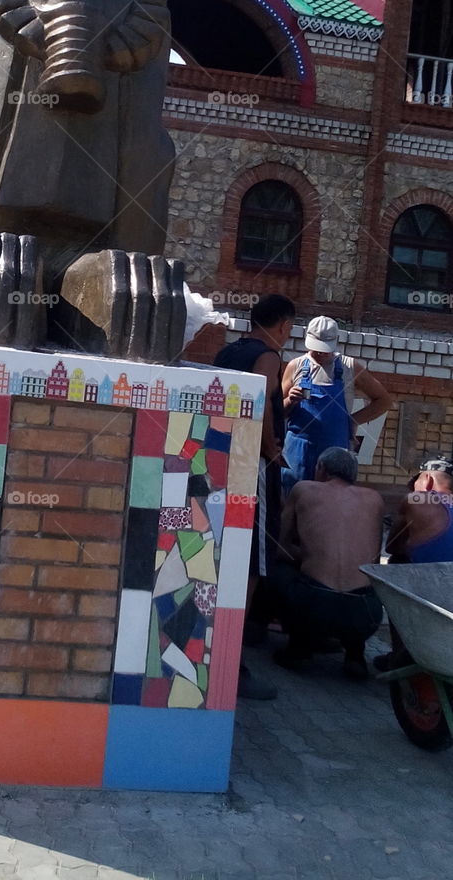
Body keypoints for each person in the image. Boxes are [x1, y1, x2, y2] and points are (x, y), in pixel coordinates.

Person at [215, 293, 296, 700]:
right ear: (283, 325)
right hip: (255, 471)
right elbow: (262, 401)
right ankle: (232, 661)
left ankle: (217, 648)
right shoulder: (267, 356)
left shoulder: (227, 352)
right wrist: (271, 450)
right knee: (254, 560)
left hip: (221, 467)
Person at [273, 446, 385, 679]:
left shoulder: (303, 489)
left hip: (314, 604)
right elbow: (373, 558)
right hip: (365, 613)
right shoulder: (374, 498)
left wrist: (312, 555)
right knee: (362, 583)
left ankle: (299, 646)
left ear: (322, 469)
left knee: (277, 569)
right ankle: (355, 654)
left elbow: (280, 547)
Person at [281, 315, 391, 490]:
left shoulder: (349, 367)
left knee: (330, 501)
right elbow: (277, 411)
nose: (321, 354)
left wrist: (353, 420)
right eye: (316, 349)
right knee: (290, 498)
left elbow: (384, 401)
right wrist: (290, 400)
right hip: (297, 450)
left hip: (334, 452)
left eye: (325, 349)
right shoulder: (296, 366)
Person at [373, 453, 453, 673]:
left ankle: (398, 657)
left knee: (396, 563)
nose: (412, 489)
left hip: (433, 593)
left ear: (426, 480)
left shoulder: (417, 501)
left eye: (414, 482)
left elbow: (392, 547)